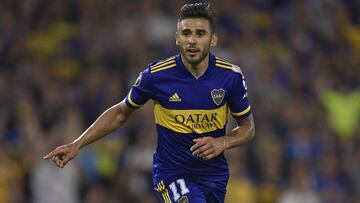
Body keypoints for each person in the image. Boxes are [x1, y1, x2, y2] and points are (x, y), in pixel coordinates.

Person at [43, 3, 255, 203]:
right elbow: (120, 113)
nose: (192, 40)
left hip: (214, 176)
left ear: (213, 39)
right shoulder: (156, 76)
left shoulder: (231, 77)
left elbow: (248, 128)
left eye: (200, 34)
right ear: (177, 38)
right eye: (186, 33)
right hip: (172, 173)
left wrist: (222, 142)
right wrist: (77, 144)